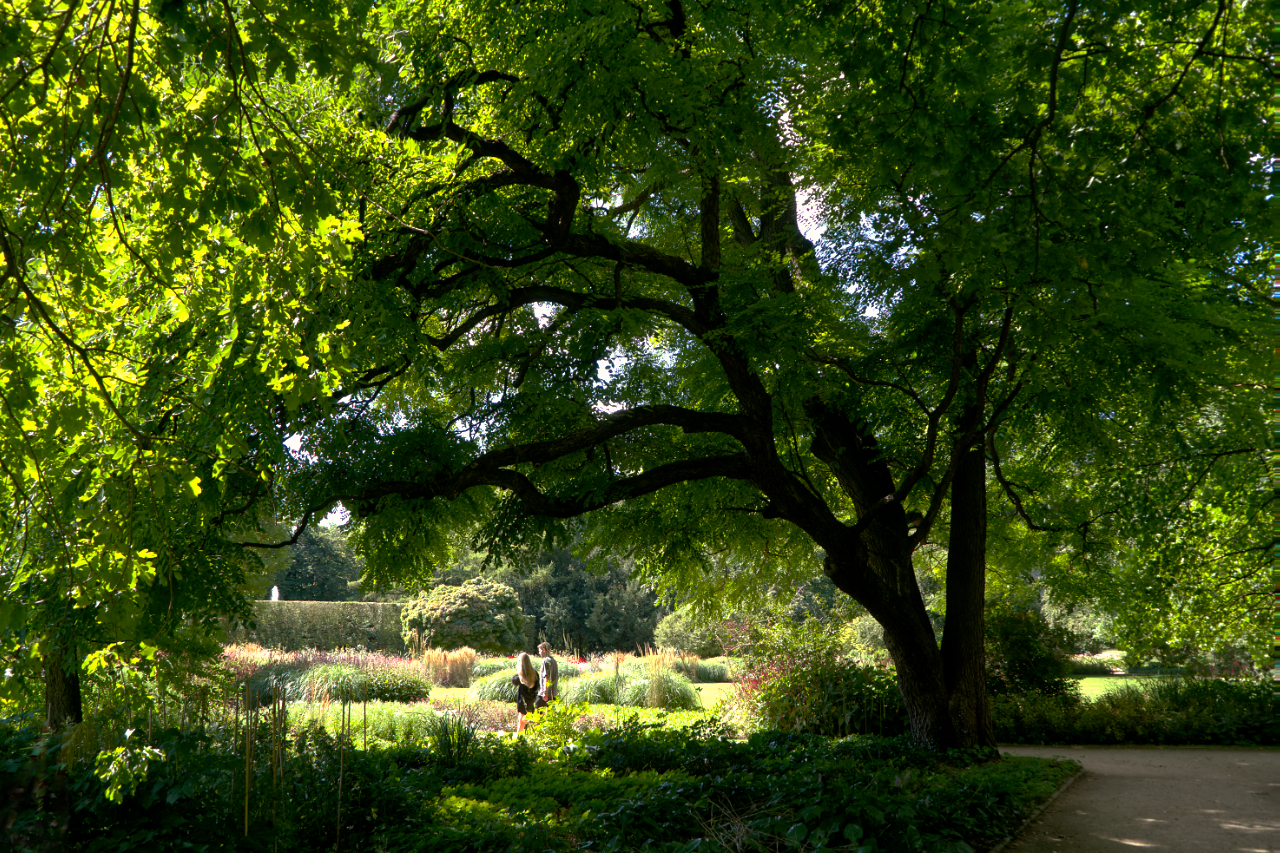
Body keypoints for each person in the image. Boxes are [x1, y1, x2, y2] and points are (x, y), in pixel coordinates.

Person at [511, 651, 539, 735]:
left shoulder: (521, 675)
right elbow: (537, 686)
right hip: (531, 697)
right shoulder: (534, 673)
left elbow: (514, 681)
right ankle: (529, 735)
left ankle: (519, 737)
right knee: (528, 718)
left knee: (521, 719)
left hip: (522, 699)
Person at [535, 642, 558, 710]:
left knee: (536, 713)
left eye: (540, 650)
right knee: (549, 715)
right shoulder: (554, 661)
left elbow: (547, 677)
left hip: (544, 693)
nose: (539, 653)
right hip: (553, 693)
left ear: (544, 650)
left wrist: (545, 692)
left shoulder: (546, 661)